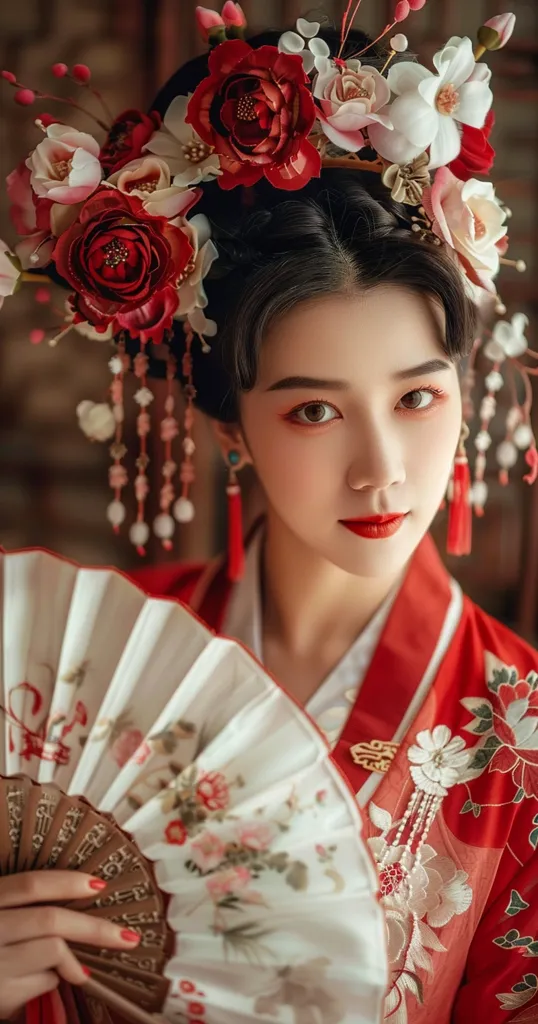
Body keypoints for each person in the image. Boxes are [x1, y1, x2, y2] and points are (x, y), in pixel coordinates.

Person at [0, 7, 537, 1024]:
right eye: (313, 409)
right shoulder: (85, 668)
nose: (381, 470)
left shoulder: (522, 744)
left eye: (418, 397)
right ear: (228, 429)